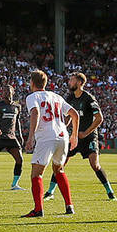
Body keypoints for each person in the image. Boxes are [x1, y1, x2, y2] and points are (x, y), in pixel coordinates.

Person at [45, 72, 115, 200]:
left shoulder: (89, 98)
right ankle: (50, 192)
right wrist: (63, 128)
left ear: (79, 83)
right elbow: (68, 117)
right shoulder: (70, 98)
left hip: (89, 137)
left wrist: (86, 132)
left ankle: (110, 192)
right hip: (74, 137)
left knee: (95, 165)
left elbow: (99, 118)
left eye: (72, 80)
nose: (69, 82)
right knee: (59, 164)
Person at [22, 69, 80, 218]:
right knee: (59, 170)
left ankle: (38, 209)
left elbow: (35, 113)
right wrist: (74, 136)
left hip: (46, 137)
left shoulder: (32, 96)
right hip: (62, 137)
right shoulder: (56, 96)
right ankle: (69, 206)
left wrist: (31, 137)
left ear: (32, 83)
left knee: (37, 173)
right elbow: (74, 114)